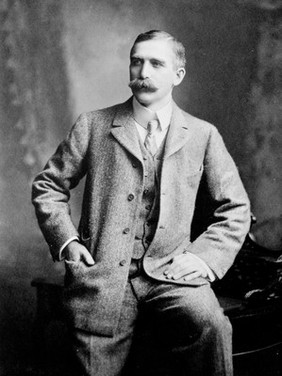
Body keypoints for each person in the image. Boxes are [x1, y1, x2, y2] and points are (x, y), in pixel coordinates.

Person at [32, 30, 250, 376]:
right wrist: (68, 242)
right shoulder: (93, 125)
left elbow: (235, 209)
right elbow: (48, 185)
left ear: (177, 75)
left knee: (212, 327)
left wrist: (203, 258)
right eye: (137, 61)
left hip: (172, 274)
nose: (143, 71)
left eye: (155, 63)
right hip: (104, 274)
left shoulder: (202, 135)